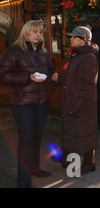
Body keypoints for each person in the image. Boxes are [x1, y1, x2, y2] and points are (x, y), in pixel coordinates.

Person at [0, 20, 58, 188]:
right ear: (26, 33)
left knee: (37, 135)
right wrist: (27, 78)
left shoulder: (43, 52)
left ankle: (34, 168)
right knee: (26, 138)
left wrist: (52, 79)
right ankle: (23, 181)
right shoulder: (13, 51)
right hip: (22, 102)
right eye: (34, 31)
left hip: (41, 101)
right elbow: (3, 75)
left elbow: (50, 71)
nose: (38, 34)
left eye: (40, 32)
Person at [61, 26, 98, 175]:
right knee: (75, 133)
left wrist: (73, 105)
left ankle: (88, 163)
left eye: (74, 36)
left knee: (83, 134)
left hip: (81, 105)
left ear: (84, 40)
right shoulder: (79, 55)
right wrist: (61, 80)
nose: (70, 38)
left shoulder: (88, 58)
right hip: (76, 103)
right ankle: (70, 161)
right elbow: (76, 80)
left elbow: (86, 85)